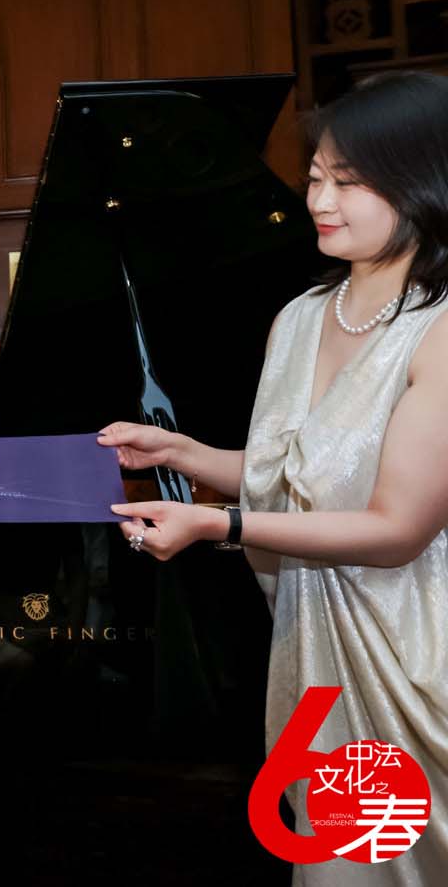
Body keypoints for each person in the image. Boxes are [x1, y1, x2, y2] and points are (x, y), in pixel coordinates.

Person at [100, 70, 448, 884]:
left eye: (348, 182)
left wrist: (218, 524)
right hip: (316, 643)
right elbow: (287, 476)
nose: (319, 200)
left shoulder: (439, 330)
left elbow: (397, 529)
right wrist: (182, 452)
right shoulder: (297, 318)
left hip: (419, 650)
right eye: (315, 178)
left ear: (422, 181)